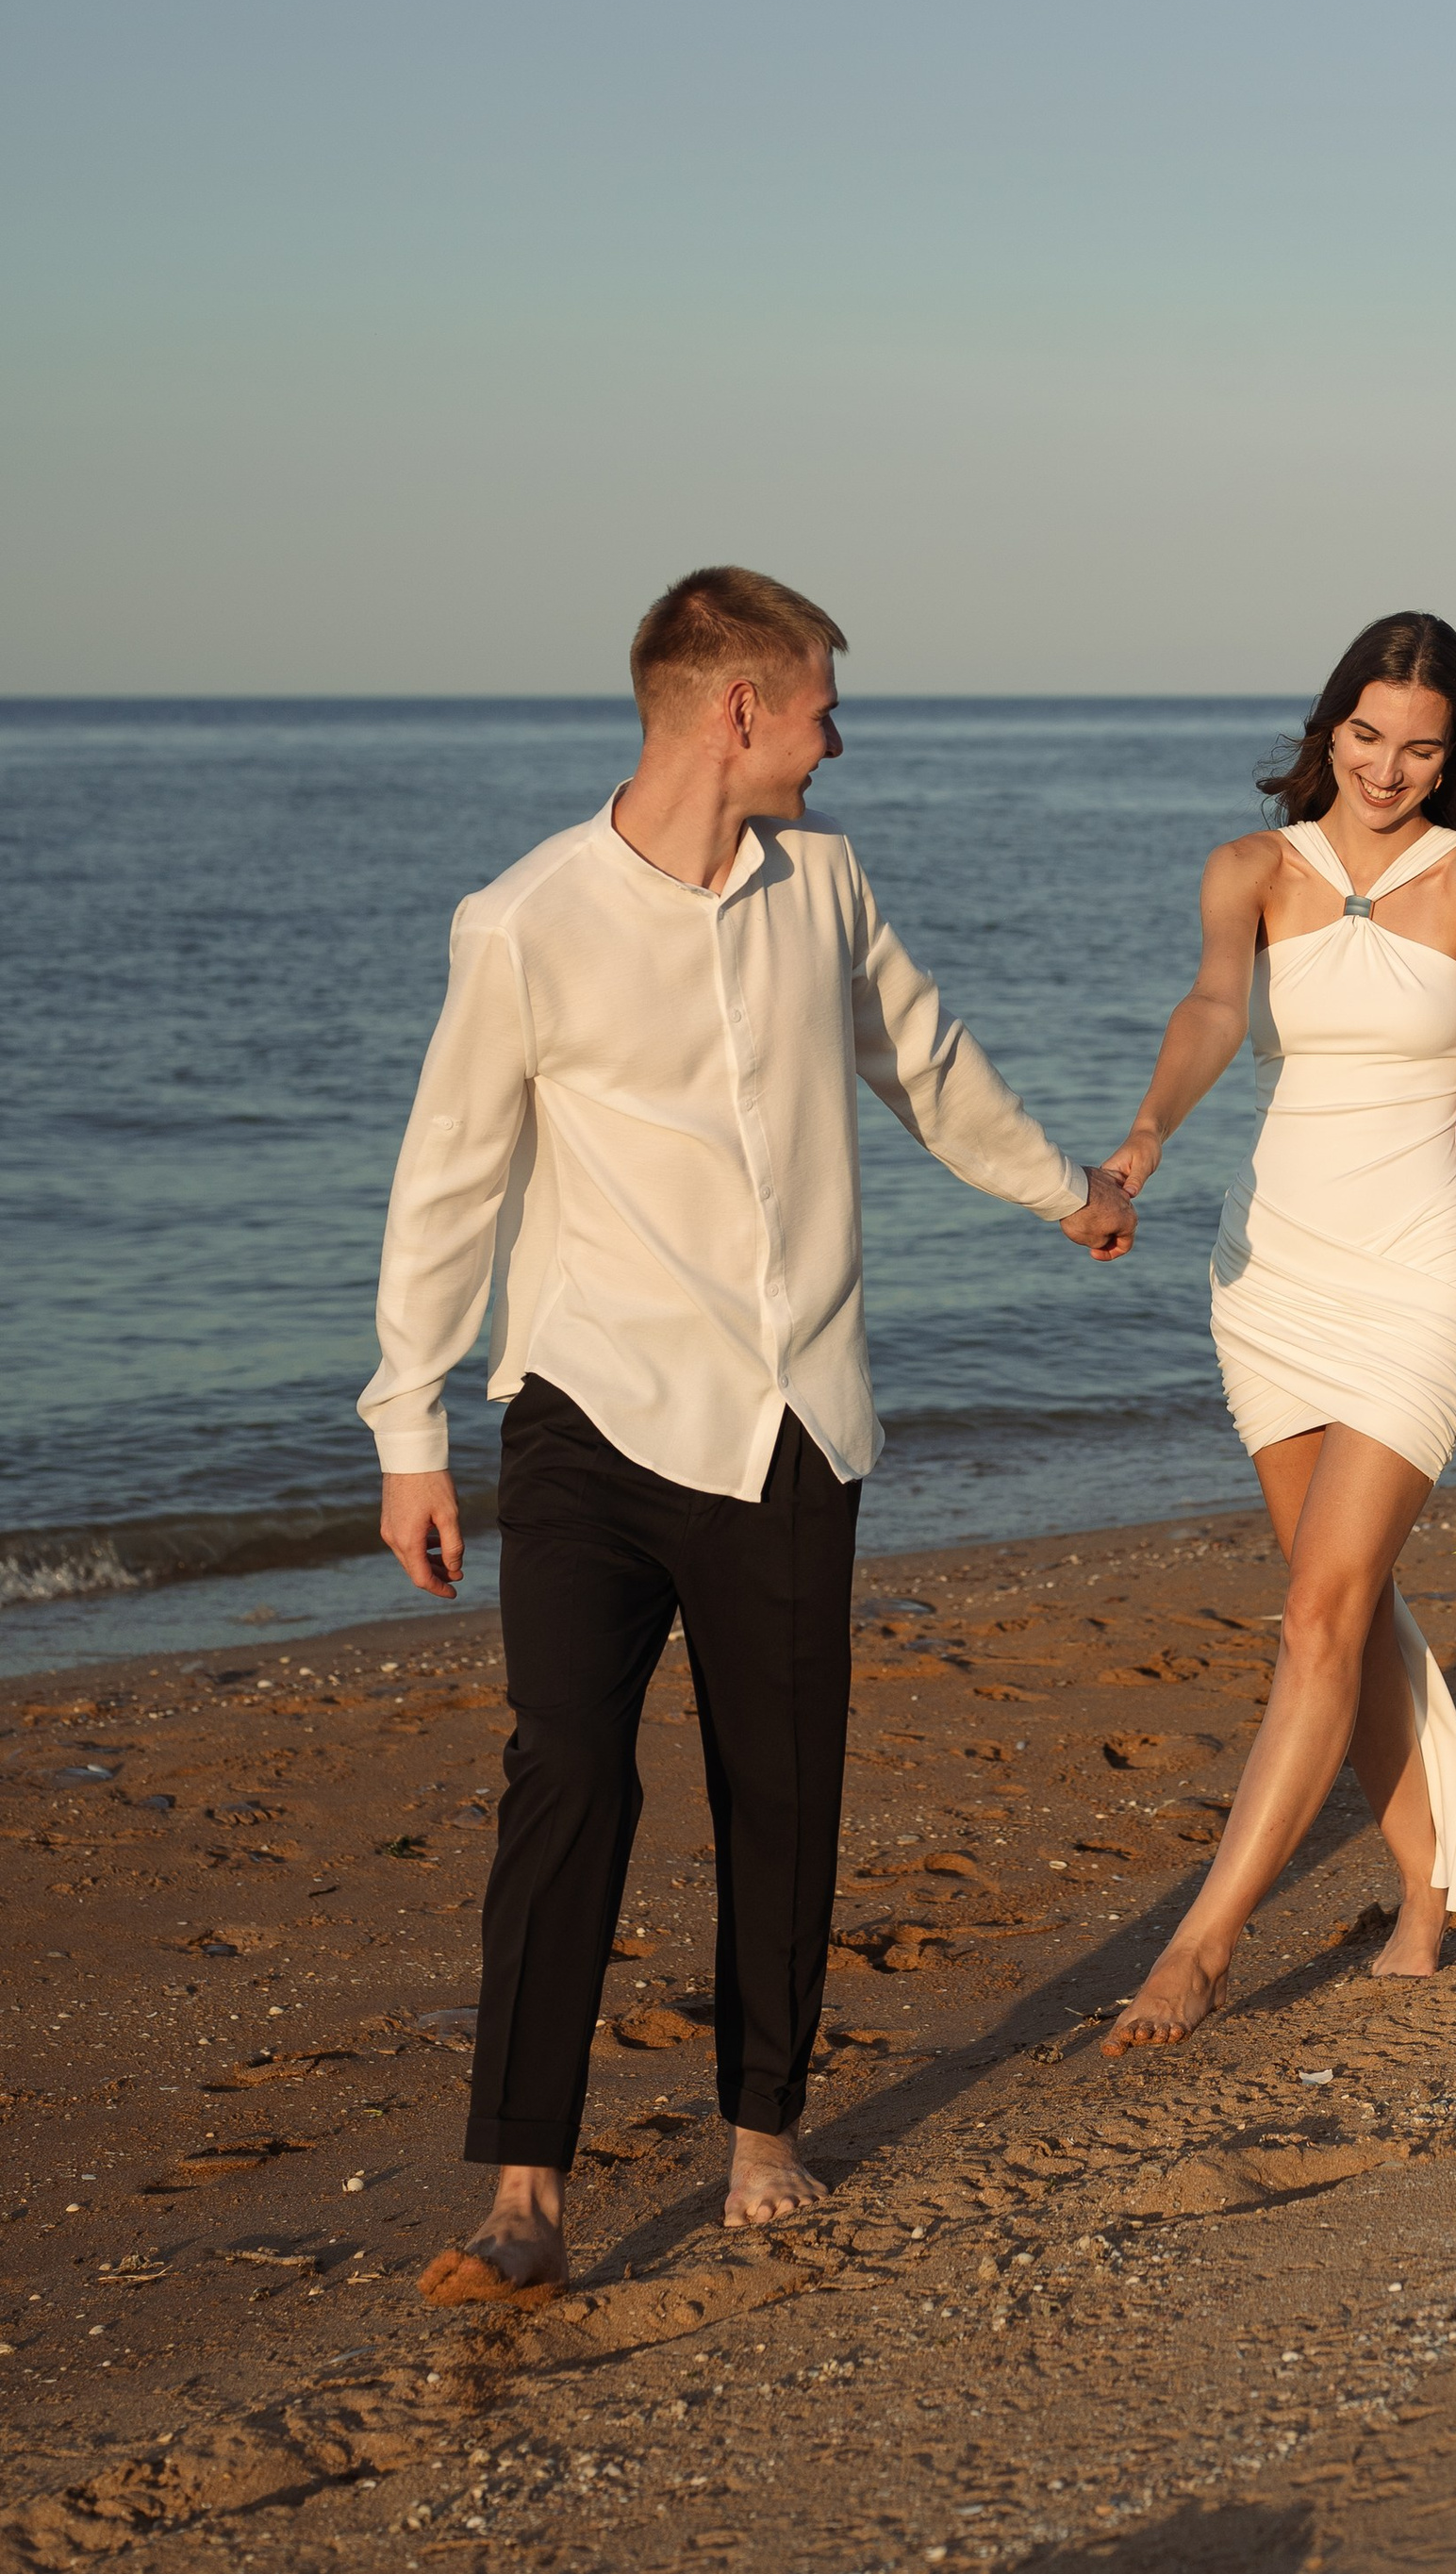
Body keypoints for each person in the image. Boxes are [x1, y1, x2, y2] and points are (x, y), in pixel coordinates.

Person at [361, 566, 1135, 2292]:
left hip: (791, 1416)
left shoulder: (825, 885)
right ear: (737, 710)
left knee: (781, 1788)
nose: (835, 742)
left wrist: (1065, 1192)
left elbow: (924, 1063)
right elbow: (448, 1180)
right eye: (820, 710)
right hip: (589, 1411)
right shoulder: (526, 920)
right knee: (566, 1773)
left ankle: (763, 2135)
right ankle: (524, 2192)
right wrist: (408, 1431)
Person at [1096, 611, 1456, 2051]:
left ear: (1455, 753)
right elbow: (1211, 1008)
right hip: (1269, 1276)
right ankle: (1428, 1883)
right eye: (1367, 736)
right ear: (1330, 730)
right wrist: (1144, 1138)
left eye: (1420, 748)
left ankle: (1201, 1947)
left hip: (1417, 1276)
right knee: (1345, 1612)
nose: (1386, 768)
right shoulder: (1250, 871)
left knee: (1318, 1612)